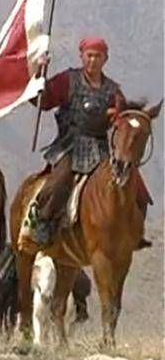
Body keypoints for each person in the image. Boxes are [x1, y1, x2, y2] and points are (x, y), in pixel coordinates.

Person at [31, 36, 151, 248]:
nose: (93, 60)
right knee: (61, 179)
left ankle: (135, 230)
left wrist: (118, 117)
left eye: (98, 56)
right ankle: (44, 221)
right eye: (89, 55)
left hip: (101, 146)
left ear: (105, 59)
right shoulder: (68, 80)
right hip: (70, 143)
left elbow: (122, 117)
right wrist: (39, 73)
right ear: (82, 56)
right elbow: (43, 100)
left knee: (136, 184)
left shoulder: (113, 90)